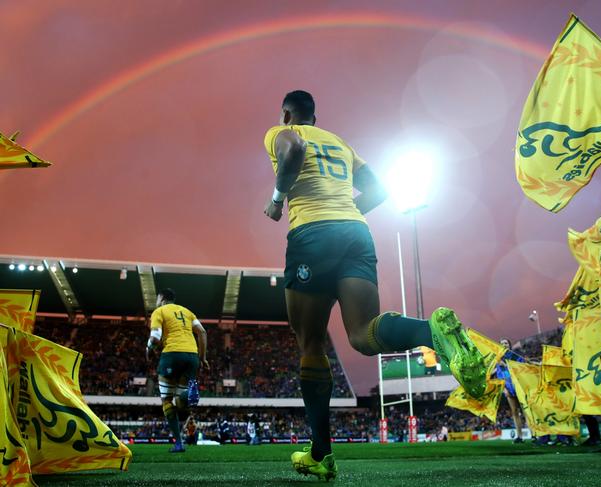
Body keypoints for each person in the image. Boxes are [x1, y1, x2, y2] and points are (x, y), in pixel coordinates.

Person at [263, 90, 486, 481]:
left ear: (287, 113)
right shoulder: (341, 143)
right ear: (317, 116)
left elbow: (293, 147)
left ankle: (321, 454)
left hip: (311, 234)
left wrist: (278, 199)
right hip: (356, 233)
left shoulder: (281, 131)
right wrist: (345, 216)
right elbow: (380, 191)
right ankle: (431, 331)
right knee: (364, 335)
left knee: (310, 344)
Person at [146, 288, 209, 453]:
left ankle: (179, 443)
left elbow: (155, 337)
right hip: (192, 357)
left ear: (162, 298)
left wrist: (148, 348)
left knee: (167, 401)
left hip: (172, 355)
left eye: (157, 298)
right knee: (180, 401)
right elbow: (202, 332)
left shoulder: (159, 311)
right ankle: (186, 394)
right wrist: (202, 358)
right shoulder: (187, 312)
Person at [494, 338, 526, 443]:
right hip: (509, 389)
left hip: (519, 387)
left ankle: (534, 435)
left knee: (526, 411)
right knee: (515, 412)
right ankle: (520, 437)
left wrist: (506, 365)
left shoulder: (516, 357)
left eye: (506, 343)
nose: (504, 344)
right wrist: (504, 389)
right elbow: (500, 376)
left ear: (509, 345)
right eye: (502, 343)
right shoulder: (498, 359)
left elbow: (522, 369)